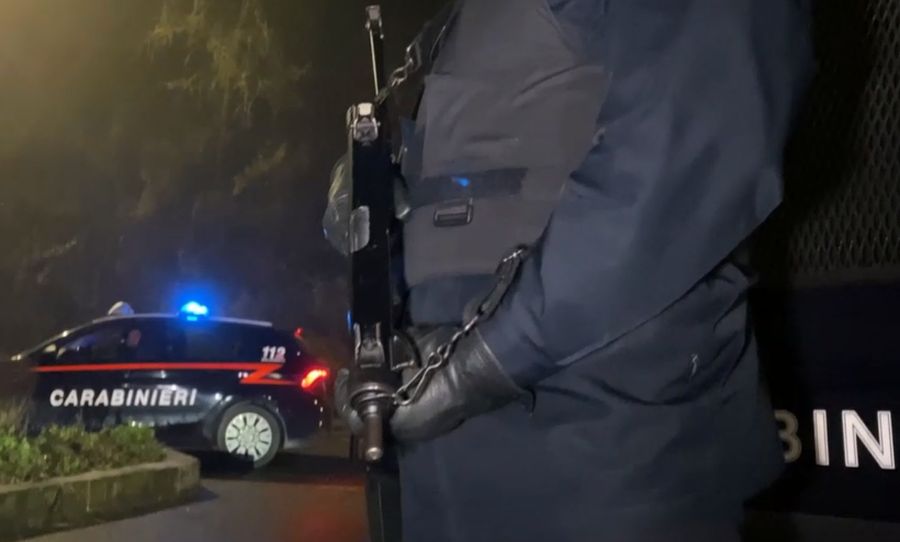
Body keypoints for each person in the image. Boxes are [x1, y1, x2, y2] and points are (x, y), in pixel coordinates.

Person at [332, 1, 814, 541]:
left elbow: (694, 142)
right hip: (458, 467)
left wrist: (478, 365)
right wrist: (380, 184)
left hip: (609, 452)